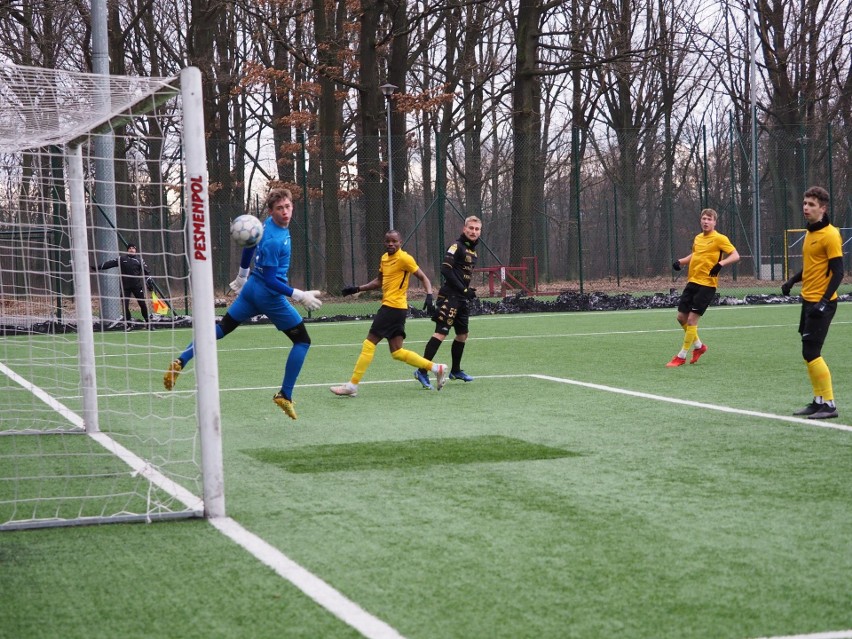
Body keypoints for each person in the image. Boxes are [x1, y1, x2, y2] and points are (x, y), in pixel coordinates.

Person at [163, 187, 321, 420]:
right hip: (269, 295)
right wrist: (298, 294)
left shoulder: (262, 225)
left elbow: (250, 243)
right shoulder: (275, 240)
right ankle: (284, 395)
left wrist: (242, 275)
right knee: (302, 341)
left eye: (288, 206)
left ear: (292, 205)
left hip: (251, 289)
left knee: (221, 328)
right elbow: (270, 280)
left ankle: (181, 360)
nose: (285, 212)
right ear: (271, 210)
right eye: (280, 208)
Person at [330, 229, 447, 397]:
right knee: (397, 352)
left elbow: (424, 278)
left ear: (401, 242)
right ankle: (436, 368)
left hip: (392, 308)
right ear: (384, 243)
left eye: (394, 241)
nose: (391, 244)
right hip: (396, 310)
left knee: (369, 344)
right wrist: (357, 288)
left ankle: (352, 385)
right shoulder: (384, 258)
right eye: (388, 241)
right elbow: (379, 281)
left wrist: (429, 295)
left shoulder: (405, 258)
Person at [781, 186, 843, 420]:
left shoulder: (830, 235)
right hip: (808, 300)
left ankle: (829, 404)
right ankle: (818, 401)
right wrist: (792, 281)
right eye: (805, 203)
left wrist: (824, 301)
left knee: (812, 351)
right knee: (808, 353)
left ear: (823, 208)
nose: (806, 208)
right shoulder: (810, 232)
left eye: (811, 205)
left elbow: (838, 273)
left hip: (822, 303)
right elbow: (812, 267)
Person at [415, 216, 482, 389]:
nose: (474, 232)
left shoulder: (473, 251)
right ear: (464, 229)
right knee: (441, 333)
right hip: (450, 297)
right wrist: (464, 290)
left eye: (477, 229)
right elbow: (445, 269)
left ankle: (456, 371)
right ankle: (421, 371)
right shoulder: (456, 246)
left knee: (462, 335)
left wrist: (465, 292)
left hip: (461, 298)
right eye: (471, 228)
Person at [668, 208, 740, 367]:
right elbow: (695, 255)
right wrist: (681, 262)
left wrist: (721, 263)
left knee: (692, 320)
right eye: (704, 219)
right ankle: (699, 347)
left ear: (714, 222)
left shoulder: (720, 238)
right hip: (692, 281)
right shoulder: (698, 238)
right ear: (701, 221)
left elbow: (735, 255)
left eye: (709, 219)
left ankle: (681, 356)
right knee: (681, 318)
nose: (706, 221)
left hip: (707, 285)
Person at [92, 243, 155, 329]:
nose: (131, 250)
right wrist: (98, 267)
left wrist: (149, 281)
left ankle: (148, 323)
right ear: (127, 250)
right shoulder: (122, 259)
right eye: (130, 248)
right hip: (125, 287)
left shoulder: (139, 260)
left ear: (135, 250)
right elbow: (110, 263)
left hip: (137, 286)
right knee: (125, 306)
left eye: (133, 248)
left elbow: (146, 272)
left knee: (142, 304)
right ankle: (129, 325)